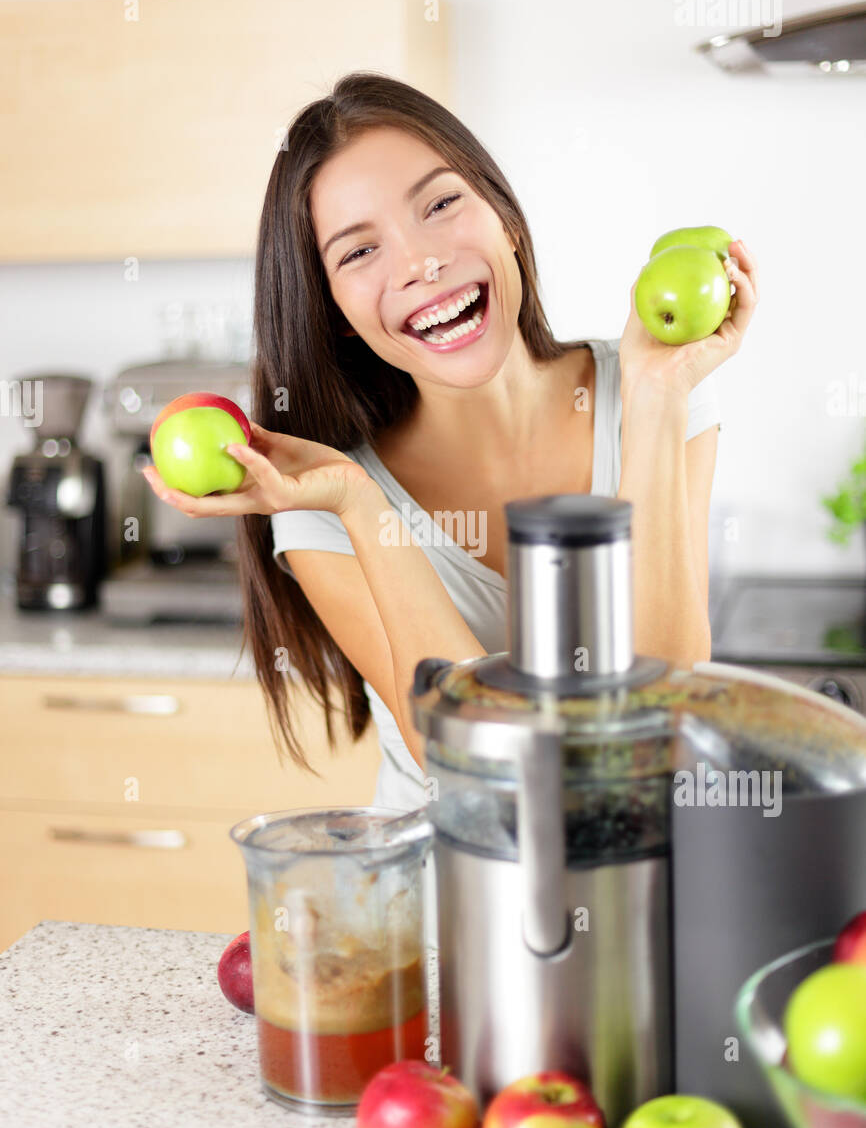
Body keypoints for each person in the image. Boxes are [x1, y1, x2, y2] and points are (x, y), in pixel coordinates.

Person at [144, 72, 759, 812]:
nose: (420, 263)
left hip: (636, 889)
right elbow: (469, 758)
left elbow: (665, 712)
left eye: (440, 204)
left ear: (506, 217)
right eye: (358, 252)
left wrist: (656, 402)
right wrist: (360, 505)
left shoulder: (656, 388)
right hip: (442, 907)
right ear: (336, 311)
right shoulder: (324, 494)